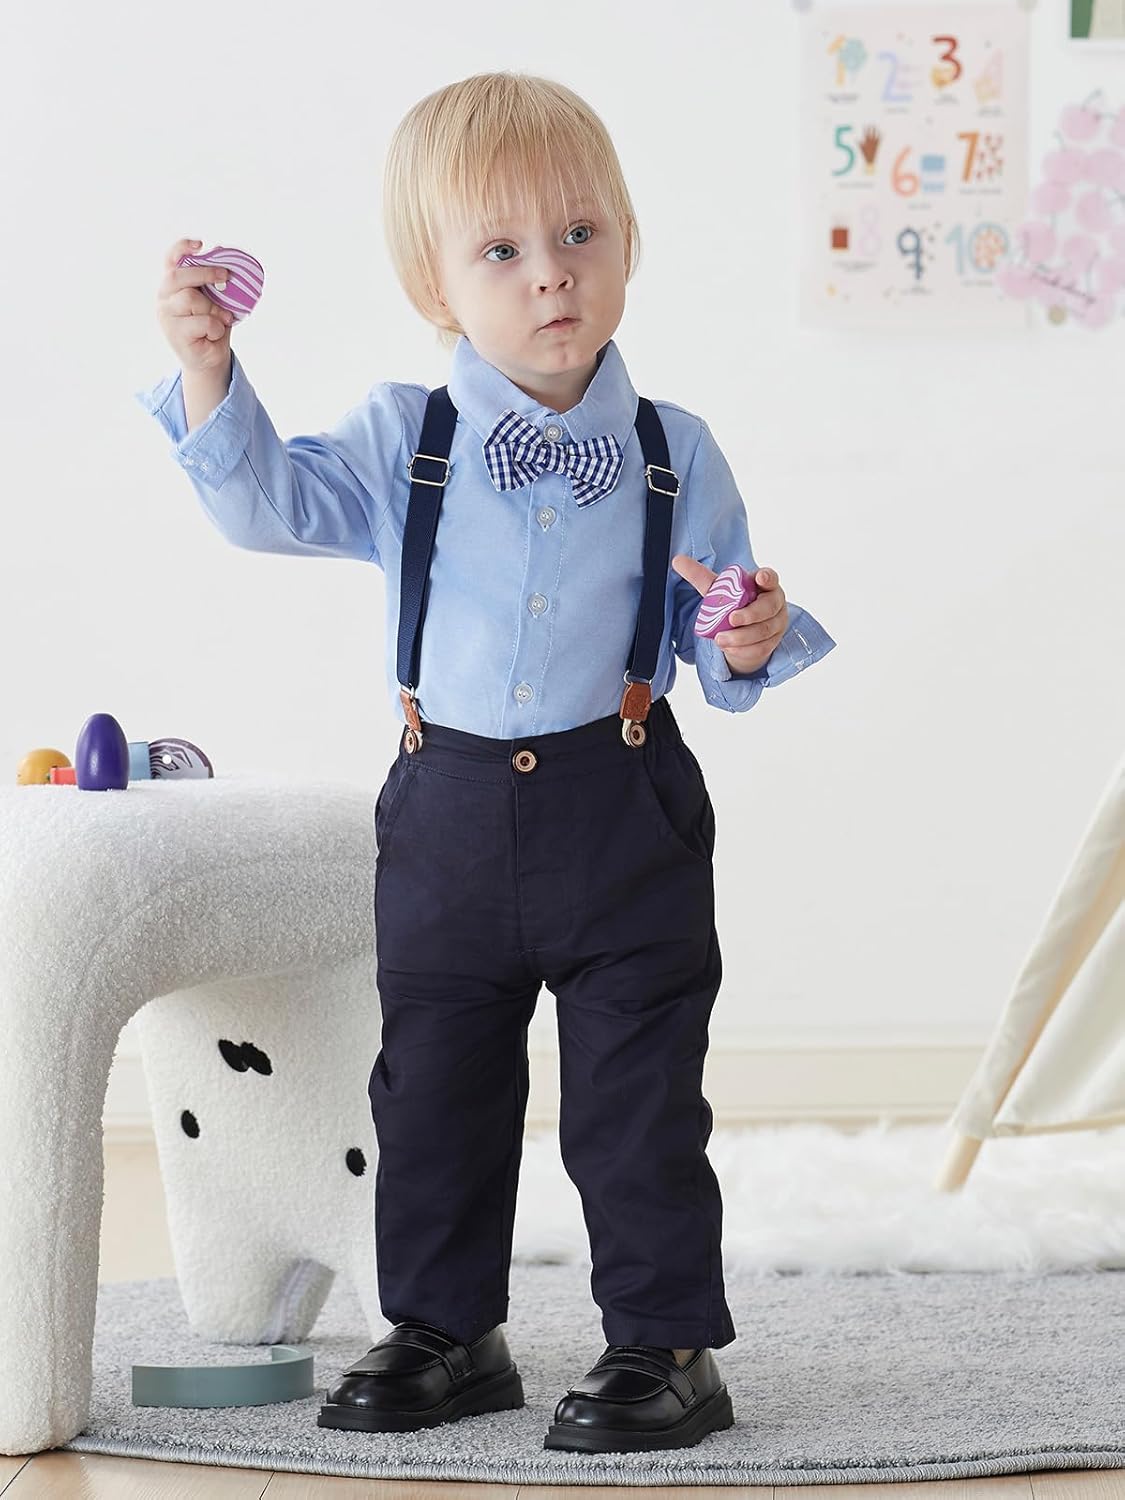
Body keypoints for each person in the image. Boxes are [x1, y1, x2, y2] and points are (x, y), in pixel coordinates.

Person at [136, 70, 836, 1455]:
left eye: (579, 235)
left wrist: (749, 630)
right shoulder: (410, 437)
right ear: (435, 286)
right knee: (437, 1085)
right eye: (502, 251)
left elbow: (723, 630)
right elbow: (270, 504)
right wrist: (212, 370)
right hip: (447, 809)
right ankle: (446, 1331)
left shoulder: (669, 449)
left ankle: (664, 1344)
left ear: (627, 244)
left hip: (621, 806)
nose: (552, 277)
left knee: (636, 1100)